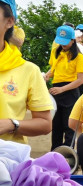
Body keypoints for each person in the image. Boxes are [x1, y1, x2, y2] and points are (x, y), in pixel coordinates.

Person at [0, 0, 52, 144]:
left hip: (8, 158)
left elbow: (45, 124)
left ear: (9, 22)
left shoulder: (28, 70)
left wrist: (12, 124)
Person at [44, 25, 83, 150]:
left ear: (73, 40)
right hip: (55, 91)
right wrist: (46, 76)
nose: (63, 45)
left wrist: (62, 89)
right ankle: (54, 154)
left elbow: (81, 80)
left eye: (66, 42)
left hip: (70, 92)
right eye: (60, 42)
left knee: (69, 127)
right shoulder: (56, 52)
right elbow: (53, 69)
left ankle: (68, 156)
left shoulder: (78, 57)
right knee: (56, 126)